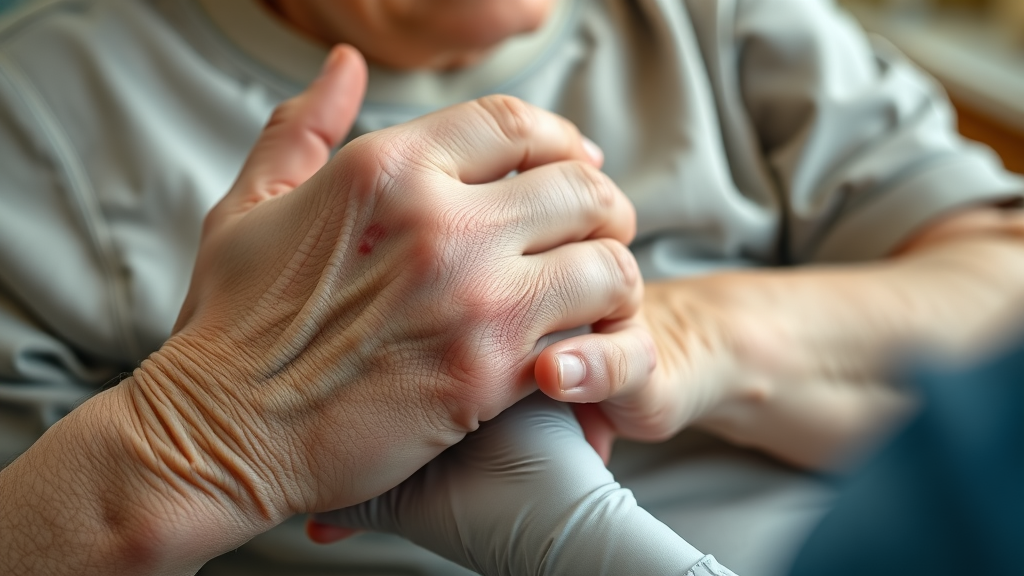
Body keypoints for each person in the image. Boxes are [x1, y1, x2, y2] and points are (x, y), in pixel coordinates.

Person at [1, 0, 1022, 574]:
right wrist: (205, 435)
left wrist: (675, 335)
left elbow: (1000, 297)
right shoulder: (47, 111)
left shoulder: (724, 20)